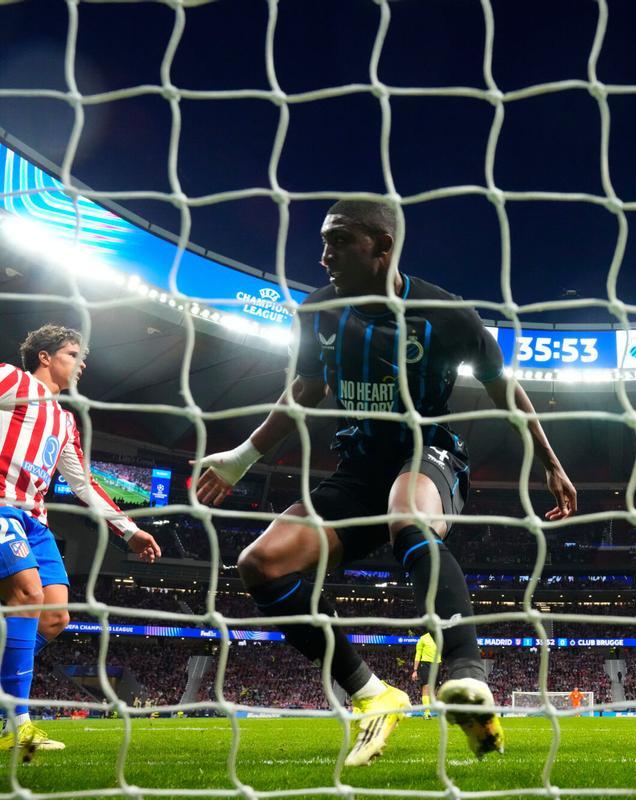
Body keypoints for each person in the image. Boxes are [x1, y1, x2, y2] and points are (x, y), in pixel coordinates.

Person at [196, 199, 576, 765]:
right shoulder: (319, 310)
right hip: (359, 470)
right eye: (324, 241)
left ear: (382, 246)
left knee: (408, 513)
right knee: (260, 564)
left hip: (428, 457)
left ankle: (469, 675)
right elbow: (304, 391)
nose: (325, 256)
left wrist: (549, 460)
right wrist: (243, 458)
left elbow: (504, 389)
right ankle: (373, 694)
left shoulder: (446, 315)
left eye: (340, 241)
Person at [0, 325, 161, 758]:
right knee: (28, 596)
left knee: (55, 617)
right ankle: (18, 723)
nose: (82, 363)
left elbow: (84, 483)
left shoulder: (65, 420)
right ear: (46, 357)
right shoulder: (12, 380)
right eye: (73, 354)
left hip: (34, 520)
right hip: (0, 505)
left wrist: (129, 529)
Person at [410, 631, 440, 720]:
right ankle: (427, 713)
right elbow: (418, 654)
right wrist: (415, 670)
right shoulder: (423, 638)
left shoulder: (440, 637)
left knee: (434, 690)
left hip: (437, 664)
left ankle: (430, 709)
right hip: (425, 664)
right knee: (426, 687)